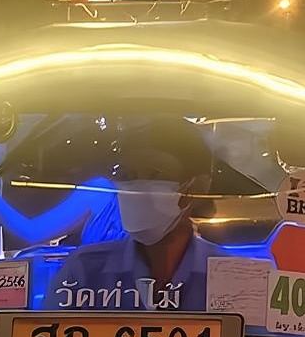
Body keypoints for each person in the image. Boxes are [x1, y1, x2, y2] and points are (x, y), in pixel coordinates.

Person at [49, 117, 226, 312]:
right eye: (128, 176)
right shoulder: (83, 271)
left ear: (196, 188)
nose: (136, 189)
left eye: (155, 173)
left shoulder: (231, 275)